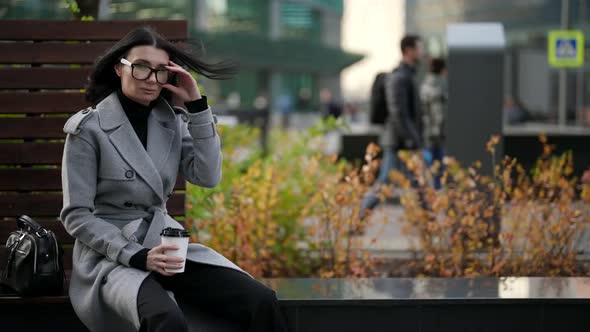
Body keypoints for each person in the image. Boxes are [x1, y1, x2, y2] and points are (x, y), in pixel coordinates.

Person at [60, 26, 287, 332]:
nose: (152, 79)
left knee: (260, 301)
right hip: (111, 255)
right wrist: (137, 255)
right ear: (119, 68)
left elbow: (207, 176)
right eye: (141, 68)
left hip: (166, 246)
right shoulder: (89, 129)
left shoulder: (172, 122)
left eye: (160, 71)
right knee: (166, 319)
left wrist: (196, 106)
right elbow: (77, 216)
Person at [359, 35, 424, 223]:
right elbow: (398, 113)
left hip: (402, 140)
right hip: (399, 142)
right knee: (387, 182)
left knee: (417, 182)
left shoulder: (408, 75)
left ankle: (431, 223)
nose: (422, 52)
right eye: (419, 48)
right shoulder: (399, 78)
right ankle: (359, 218)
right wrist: (413, 140)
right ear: (409, 50)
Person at [420, 57, 447, 189]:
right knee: (438, 169)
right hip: (435, 136)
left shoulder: (424, 86)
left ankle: (428, 198)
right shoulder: (438, 87)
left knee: (428, 168)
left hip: (425, 133)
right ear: (443, 70)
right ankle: (435, 198)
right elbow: (439, 115)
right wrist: (440, 133)